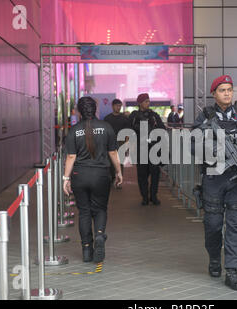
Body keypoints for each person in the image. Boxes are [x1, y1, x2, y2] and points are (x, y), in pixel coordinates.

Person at [192, 75, 237, 291]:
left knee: (235, 226)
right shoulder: (204, 117)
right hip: (214, 179)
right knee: (213, 226)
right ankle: (215, 259)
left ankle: (232, 271)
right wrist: (212, 150)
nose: (227, 93)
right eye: (222, 90)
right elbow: (193, 145)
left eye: (229, 89)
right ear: (214, 93)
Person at [63, 96, 123, 263]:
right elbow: (112, 153)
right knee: (100, 209)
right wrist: (118, 172)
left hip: (79, 176)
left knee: (84, 212)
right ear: (95, 109)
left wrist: (65, 178)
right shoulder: (106, 127)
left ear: (79, 111)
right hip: (101, 175)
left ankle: (87, 250)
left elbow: (71, 156)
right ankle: (99, 236)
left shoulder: (74, 130)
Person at [128, 93, 166, 206]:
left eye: (148, 101)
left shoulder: (154, 115)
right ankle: (145, 197)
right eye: (145, 101)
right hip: (141, 149)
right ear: (140, 103)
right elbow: (128, 130)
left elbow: (162, 129)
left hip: (154, 148)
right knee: (142, 175)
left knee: (155, 174)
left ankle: (153, 196)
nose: (148, 103)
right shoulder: (134, 116)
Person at [104, 99, 130, 188]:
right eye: (117, 106)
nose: (118, 108)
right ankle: (112, 179)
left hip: (121, 142)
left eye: (120, 106)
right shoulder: (107, 118)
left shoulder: (124, 118)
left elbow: (127, 132)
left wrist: (127, 143)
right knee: (111, 162)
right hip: (110, 142)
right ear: (112, 106)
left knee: (121, 162)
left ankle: (119, 181)